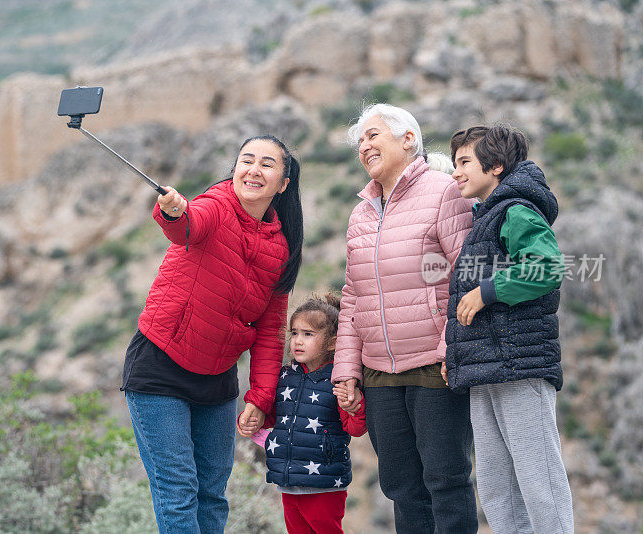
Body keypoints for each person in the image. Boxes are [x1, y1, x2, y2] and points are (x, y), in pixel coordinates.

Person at [121, 134, 304, 533]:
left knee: (212, 494)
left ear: (283, 182)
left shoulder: (280, 249)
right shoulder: (216, 205)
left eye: (267, 164)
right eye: (246, 160)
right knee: (178, 491)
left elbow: (270, 333)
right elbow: (187, 224)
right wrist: (173, 212)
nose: (254, 170)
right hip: (160, 367)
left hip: (218, 380)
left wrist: (260, 397)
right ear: (235, 168)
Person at [333, 103, 478, 533]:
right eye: (360, 140)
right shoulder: (360, 213)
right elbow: (353, 294)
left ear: (408, 139)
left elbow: (465, 274)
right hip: (379, 374)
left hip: (435, 366)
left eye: (373, 135)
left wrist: (454, 347)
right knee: (400, 487)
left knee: (445, 481)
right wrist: (347, 369)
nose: (365, 146)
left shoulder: (443, 190)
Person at [444, 125, 574, 534]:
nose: (456, 173)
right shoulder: (485, 216)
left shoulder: (516, 209)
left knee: (539, 481)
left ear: (495, 166)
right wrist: (456, 355)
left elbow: (548, 267)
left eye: (465, 162)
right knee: (499, 486)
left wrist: (488, 292)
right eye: (454, 164)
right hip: (485, 368)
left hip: (520, 366)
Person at [244, 293, 366, 534]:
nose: (298, 341)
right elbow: (276, 417)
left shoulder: (339, 380)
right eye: (295, 333)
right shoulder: (284, 376)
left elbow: (355, 428)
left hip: (325, 483)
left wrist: (357, 406)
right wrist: (254, 419)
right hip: (288, 481)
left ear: (332, 342)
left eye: (308, 334)